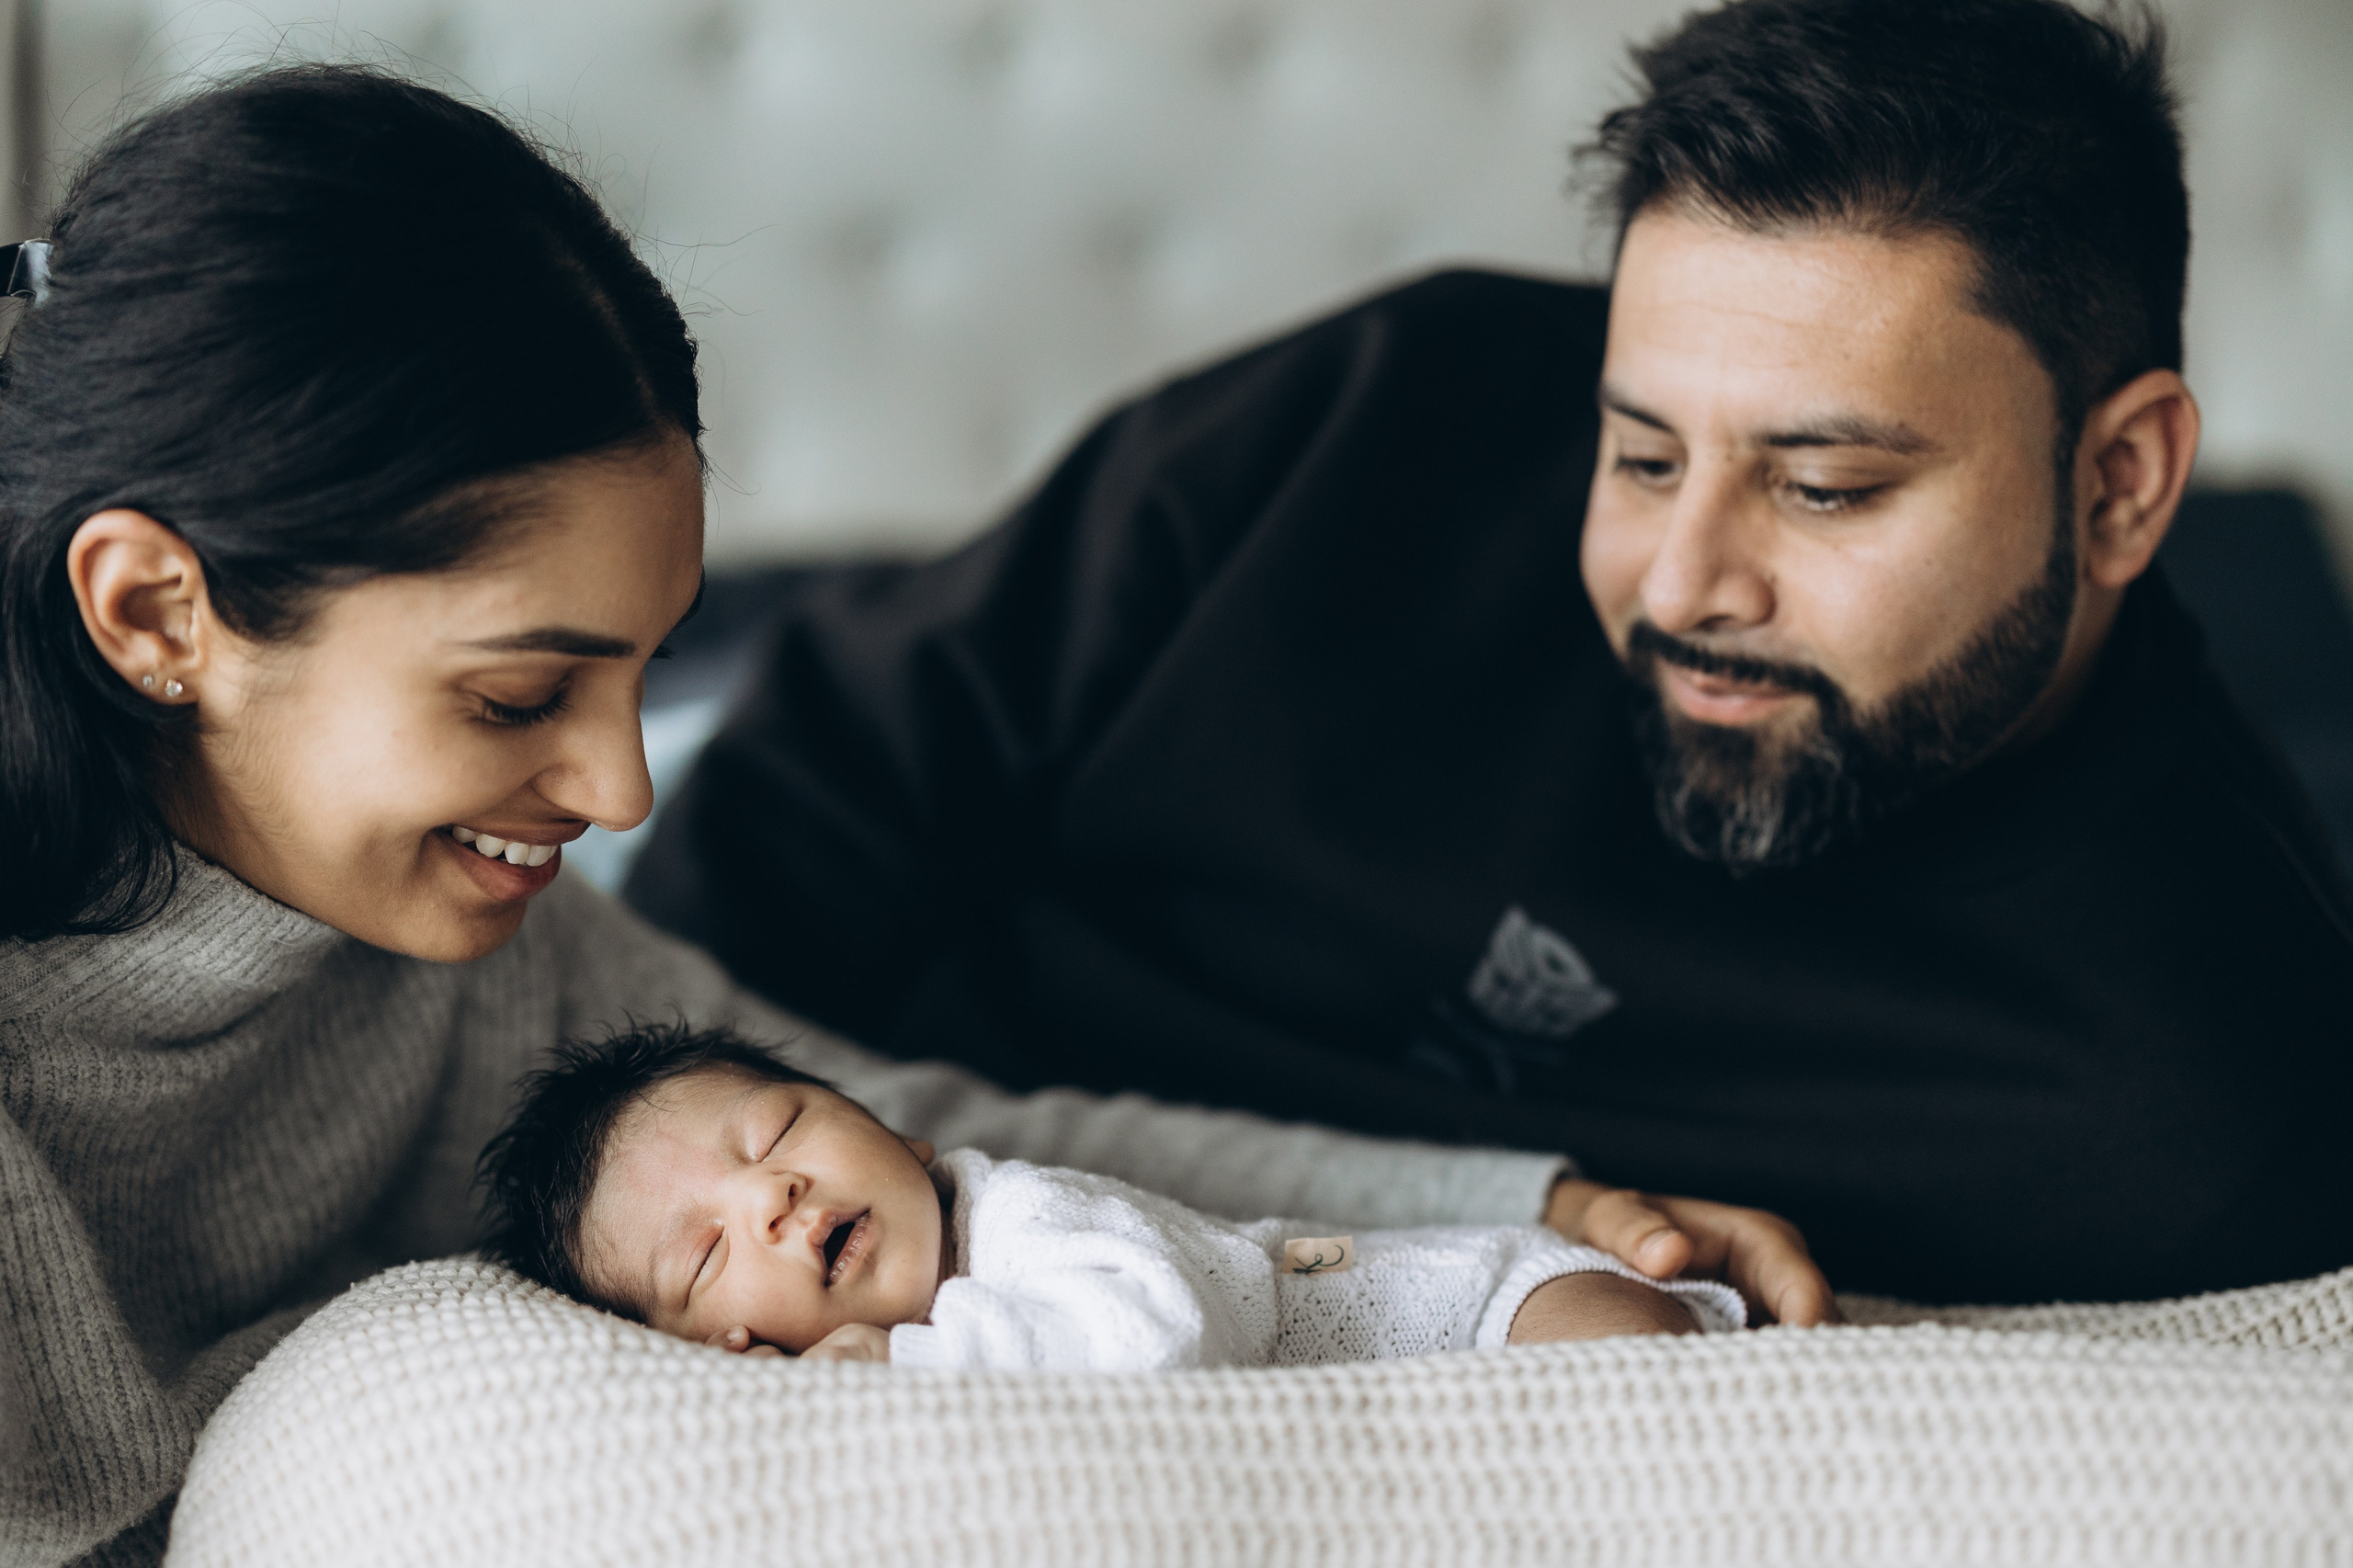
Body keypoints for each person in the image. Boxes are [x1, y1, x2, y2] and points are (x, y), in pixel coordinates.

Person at [0, 66, 1824, 1568]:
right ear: (160, 615)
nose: (621, 790)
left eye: (647, 674)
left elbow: (948, 1150)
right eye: (517, 696)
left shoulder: (492, 957)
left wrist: (1545, 1201)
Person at [627, 0, 2353, 1309]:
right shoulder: (1385, 417)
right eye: (1640, 453)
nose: (1678, 582)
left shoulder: (2208, 1112)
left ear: (2120, 482)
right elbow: (776, 829)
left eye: (1823, 488)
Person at [478, 1023, 1745, 1369]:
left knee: (1630, 1358)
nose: (775, 1193)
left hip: (1465, 1305)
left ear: (903, 1135)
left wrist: (909, 1368)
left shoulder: (1025, 1219)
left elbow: (1150, 1334)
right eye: (704, 1255)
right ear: (724, 1345)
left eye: (784, 1128)